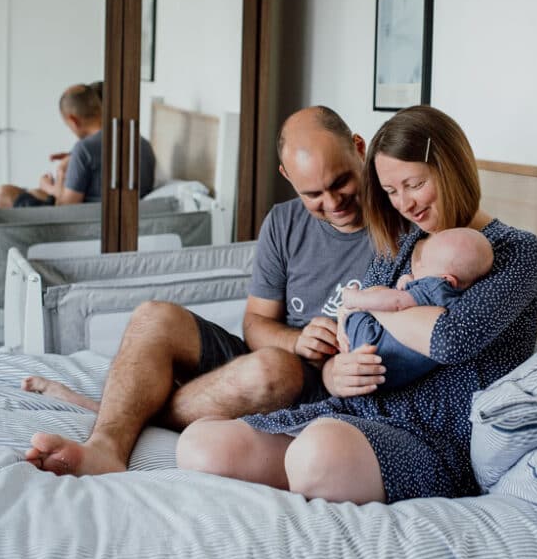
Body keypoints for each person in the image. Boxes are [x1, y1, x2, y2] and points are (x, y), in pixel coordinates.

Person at [174, 105, 537, 506]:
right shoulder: (400, 245)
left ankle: (319, 471)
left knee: (317, 452)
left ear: (451, 166)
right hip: (356, 411)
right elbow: (346, 328)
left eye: (414, 184)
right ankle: (316, 467)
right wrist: (336, 372)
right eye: (390, 191)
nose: (405, 204)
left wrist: (380, 305)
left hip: (434, 437)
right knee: (202, 445)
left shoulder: (516, 251)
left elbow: (450, 339)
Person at [23, 105, 375, 475]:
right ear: (287, 176)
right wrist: (297, 341)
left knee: (273, 368)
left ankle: (125, 411)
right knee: (153, 316)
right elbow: (255, 323)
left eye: (340, 183)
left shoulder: (396, 226)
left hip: (325, 381)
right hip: (274, 359)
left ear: (359, 148)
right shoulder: (283, 222)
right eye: (314, 194)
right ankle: (105, 447)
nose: (333, 203)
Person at [341, 227, 494, 388]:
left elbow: (397, 302)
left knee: (354, 315)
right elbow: (414, 301)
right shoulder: (453, 298)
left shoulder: (435, 286)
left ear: (446, 279)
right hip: (395, 374)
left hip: (371, 347)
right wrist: (409, 283)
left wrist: (355, 299)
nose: (418, 264)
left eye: (424, 263)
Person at [0, 82, 155, 208]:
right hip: (108, 211)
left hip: (86, 220)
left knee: (1, 195)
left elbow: (66, 207)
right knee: (25, 192)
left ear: (73, 120)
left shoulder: (85, 149)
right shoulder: (143, 143)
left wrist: (52, 186)